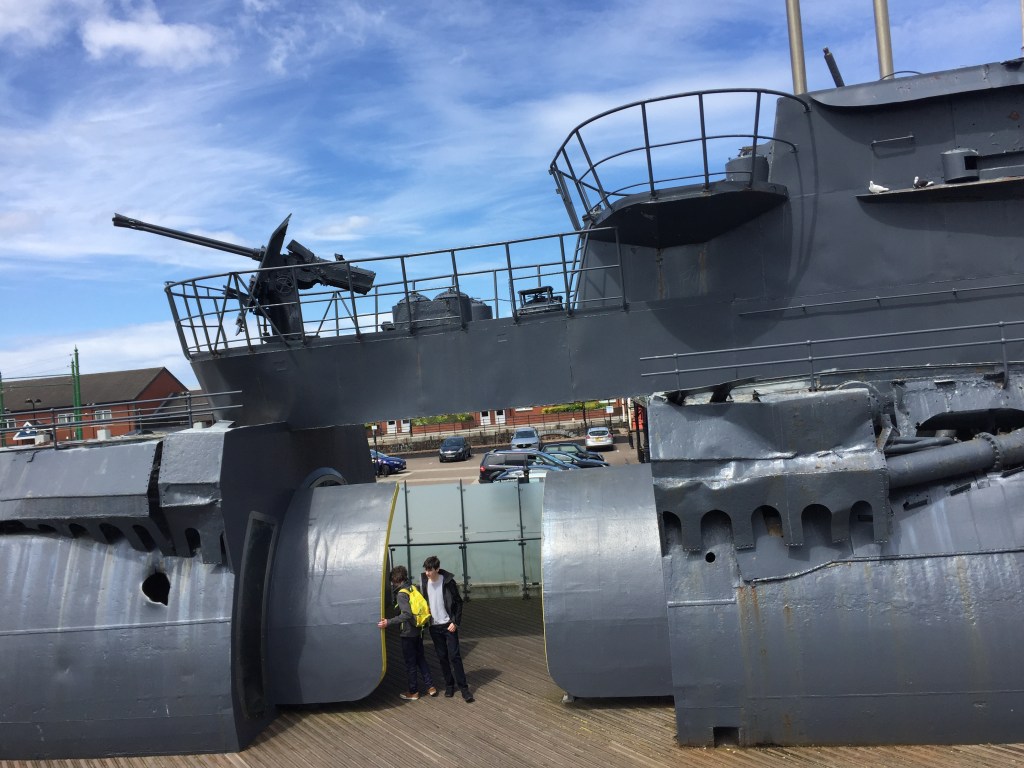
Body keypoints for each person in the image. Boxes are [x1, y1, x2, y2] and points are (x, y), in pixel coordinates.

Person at [377, 565, 437, 700]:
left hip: (408, 633)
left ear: (395, 579)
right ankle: (430, 686)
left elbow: (407, 615)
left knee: (410, 663)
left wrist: (388, 622)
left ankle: (413, 691)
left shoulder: (401, 594)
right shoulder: (412, 588)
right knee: (421, 659)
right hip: (418, 630)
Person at [421, 555, 474, 702]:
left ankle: (464, 689)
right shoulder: (424, 582)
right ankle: (449, 685)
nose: (427, 573)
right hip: (434, 627)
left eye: (430, 570)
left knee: (455, 657)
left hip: (449, 626)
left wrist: (455, 622)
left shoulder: (448, 582)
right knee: (442, 657)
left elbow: (458, 603)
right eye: (426, 570)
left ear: (437, 569)